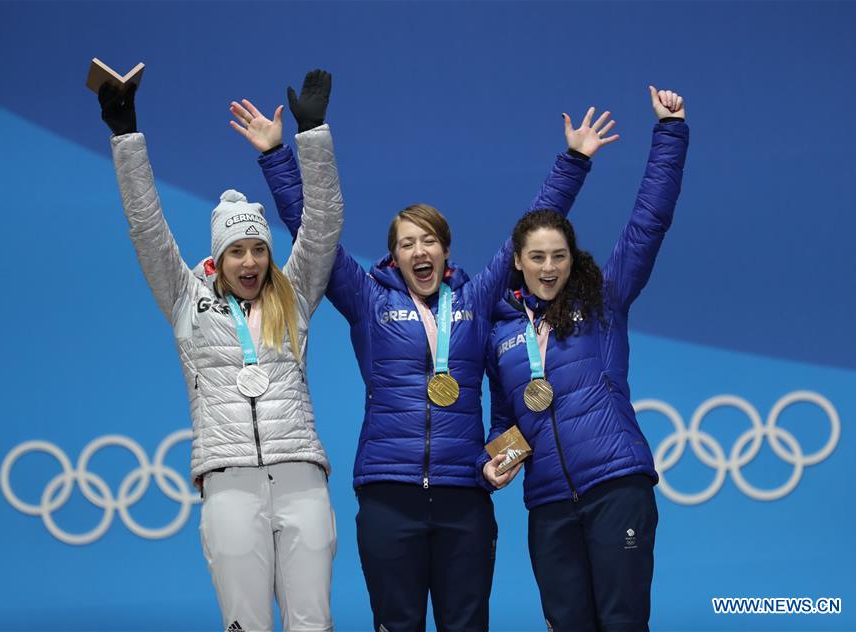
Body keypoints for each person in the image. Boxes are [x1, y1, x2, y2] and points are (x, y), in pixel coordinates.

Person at [238, 70, 619, 632]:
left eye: (429, 240)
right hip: (389, 497)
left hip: (464, 498)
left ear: (445, 250)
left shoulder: (475, 296)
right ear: (393, 257)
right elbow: (310, 231)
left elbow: (528, 231)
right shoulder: (367, 298)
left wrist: (575, 161)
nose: (420, 250)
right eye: (407, 242)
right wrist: (284, 151)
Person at [97, 73, 343, 632]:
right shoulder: (186, 298)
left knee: (313, 623)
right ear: (219, 259)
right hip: (228, 481)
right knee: (245, 624)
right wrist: (126, 137)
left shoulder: (294, 293)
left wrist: (313, 134)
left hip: (301, 476)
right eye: (238, 251)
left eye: (260, 249)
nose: (251, 261)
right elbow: (147, 229)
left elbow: (324, 224)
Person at [480, 86, 689, 632]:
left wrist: (670, 133)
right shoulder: (500, 333)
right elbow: (507, 419)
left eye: (559, 256)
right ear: (518, 264)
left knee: (621, 623)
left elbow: (649, 222)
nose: (548, 267)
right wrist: (497, 459)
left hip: (615, 487)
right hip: (548, 504)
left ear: (573, 260)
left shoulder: (605, 302)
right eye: (536, 257)